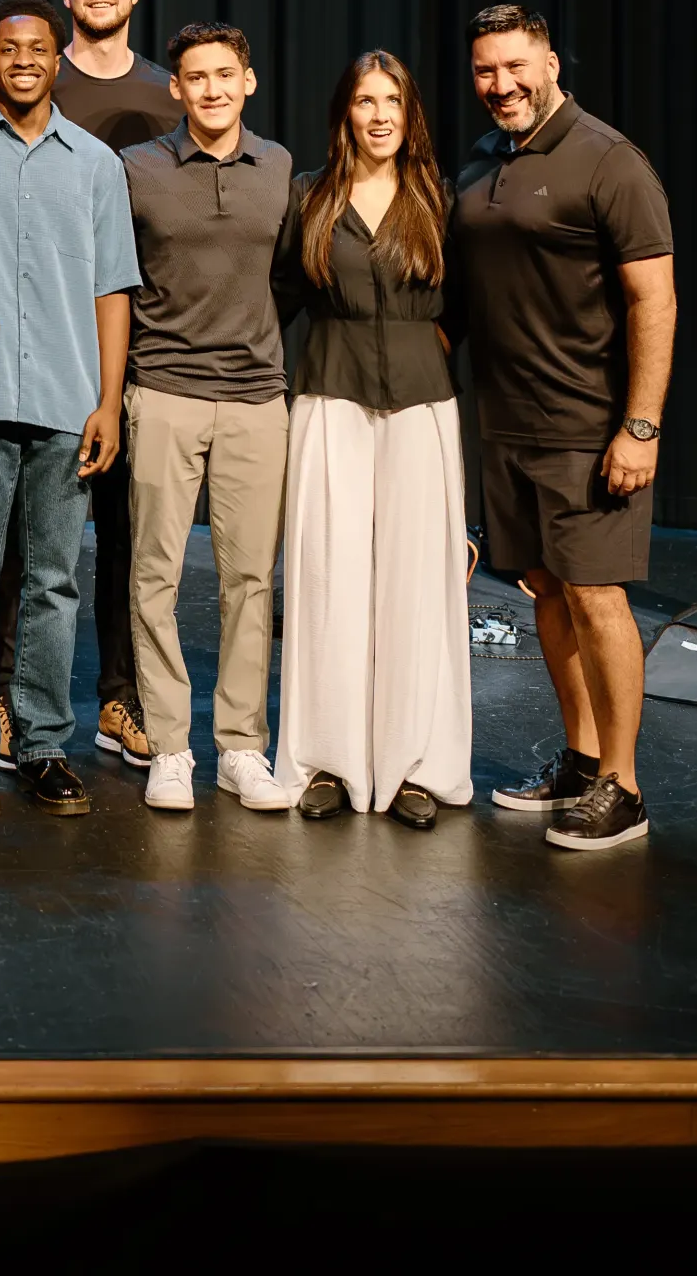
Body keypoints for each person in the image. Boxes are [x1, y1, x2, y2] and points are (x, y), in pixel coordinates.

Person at [451, 3, 675, 855]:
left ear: (548, 61)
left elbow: (654, 298)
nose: (500, 85)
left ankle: (624, 785)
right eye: (483, 70)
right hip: (504, 425)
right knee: (545, 590)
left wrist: (641, 426)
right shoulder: (482, 161)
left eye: (514, 66)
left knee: (596, 595)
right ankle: (582, 765)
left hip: (589, 425)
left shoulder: (609, 160)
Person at [0, 0, 139, 821]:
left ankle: (43, 746)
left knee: (53, 583)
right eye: (10, 49)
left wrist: (107, 403)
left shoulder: (95, 166)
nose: (25, 61)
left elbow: (113, 290)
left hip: (68, 405)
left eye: (39, 49)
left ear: (55, 59)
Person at [0, 0, 173, 773]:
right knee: (22, 542)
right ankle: (11, 704)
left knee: (127, 534)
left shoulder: (170, 95)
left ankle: (118, 698)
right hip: (34, 355)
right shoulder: (28, 83)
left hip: (139, 346)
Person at [271, 51, 472, 830]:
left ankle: (417, 767)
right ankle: (327, 762)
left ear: (410, 112)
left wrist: (430, 353)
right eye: (365, 100)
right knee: (329, 581)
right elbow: (279, 298)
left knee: (418, 589)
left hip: (423, 408)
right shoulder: (309, 200)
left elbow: (469, 308)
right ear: (345, 113)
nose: (380, 114)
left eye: (393, 100)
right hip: (329, 400)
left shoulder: (441, 201)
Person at [122, 22, 296, 814]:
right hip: (163, 391)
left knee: (250, 580)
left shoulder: (279, 167)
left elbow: (289, 277)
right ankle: (168, 747)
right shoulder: (138, 169)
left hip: (257, 397)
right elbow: (114, 286)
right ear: (177, 88)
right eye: (197, 77)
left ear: (248, 81)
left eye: (226, 74)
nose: (213, 89)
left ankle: (240, 747)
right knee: (154, 574)